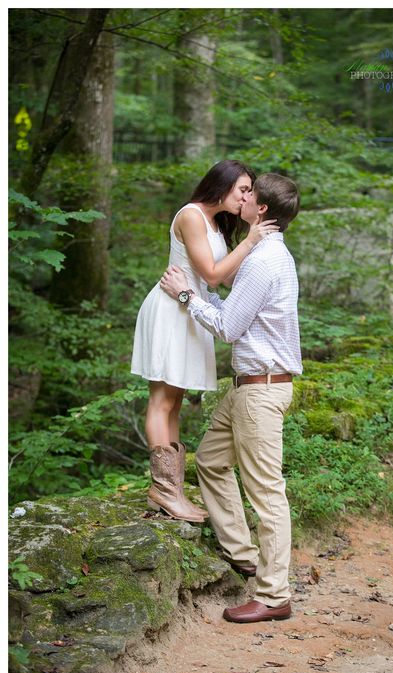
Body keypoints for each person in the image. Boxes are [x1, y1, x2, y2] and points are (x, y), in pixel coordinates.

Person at [160, 173, 302, 623]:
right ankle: (244, 555)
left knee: (267, 493)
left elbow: (226, 329)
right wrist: (200, 296)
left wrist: (185, 294)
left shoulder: (264, 261)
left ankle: (274, 595)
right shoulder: (262, 253)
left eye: (249, 193)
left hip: (262, 390)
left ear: (261, 210)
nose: (242, 196)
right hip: (247, 387)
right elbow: (235, 315)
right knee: (212, 461)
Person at [131, 160, 279, 524]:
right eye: (243, 189)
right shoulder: (192, 215)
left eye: (250, 191)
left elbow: (219, 281)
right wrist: (249, 242)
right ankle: (165, 491)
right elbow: (212, 275)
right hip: (171, 309)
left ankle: (171, 490)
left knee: (176, 401)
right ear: (222, 184)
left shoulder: (215, 223)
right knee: (161, 399)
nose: (247, 197)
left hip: (190, 309)